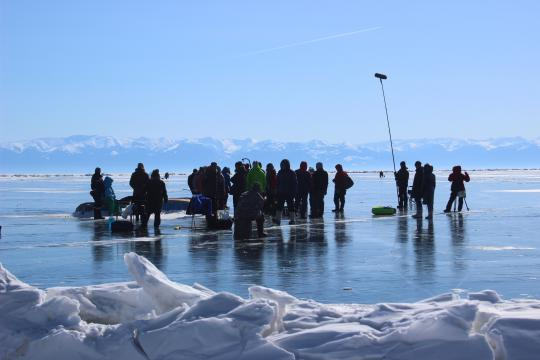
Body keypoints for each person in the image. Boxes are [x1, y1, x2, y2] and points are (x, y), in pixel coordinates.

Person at [273, 159, 298, 225]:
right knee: (279, 206)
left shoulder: (292, 173)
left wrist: (294, 192)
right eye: (281, 165)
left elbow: (295, 183)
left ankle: (292, 220)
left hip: (289, 192)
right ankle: (278, 220)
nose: (282, 166)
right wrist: (276, 190)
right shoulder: (280, 172)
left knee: (291, 206)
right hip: (281, 192)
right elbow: (277, 182)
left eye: (283, 164)